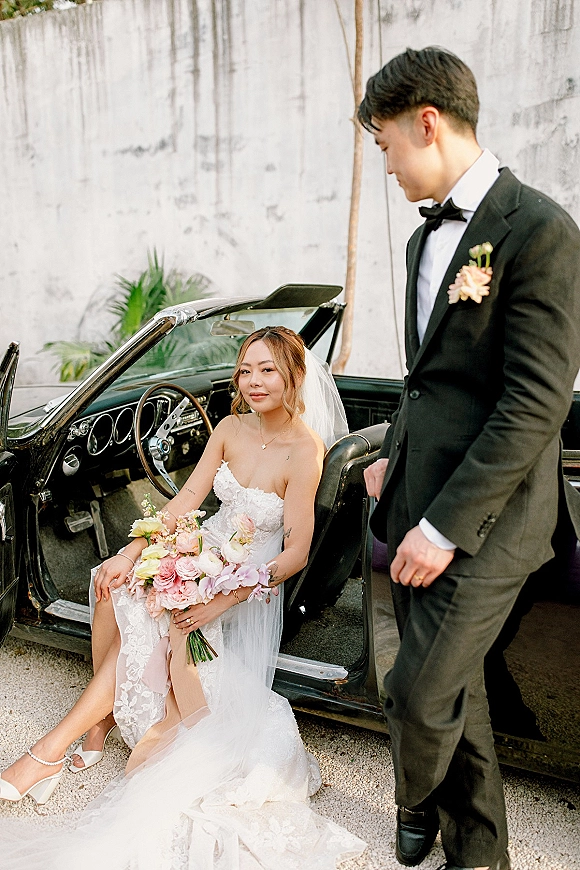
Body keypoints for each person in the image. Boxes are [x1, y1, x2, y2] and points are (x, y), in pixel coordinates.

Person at [0, 326, 364, 870]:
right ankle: (94, 729)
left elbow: (295, 554)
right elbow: (189, 499)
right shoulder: (229, 428)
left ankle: (46, 756)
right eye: (245, 370)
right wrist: (130, 553)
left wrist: (221, 597)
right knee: (110, 581)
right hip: (202, 548)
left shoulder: (305, 451)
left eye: (267, 370)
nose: (253, 381)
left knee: (147, 621)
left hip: (245, 582)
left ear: (294, 377)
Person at [360, 47, 580, 870]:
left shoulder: (543, 232)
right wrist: (393, 450)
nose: (383, 164)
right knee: (459, 692)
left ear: (428, 122)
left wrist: (445, 528)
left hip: (491, 518)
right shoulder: (425, 248)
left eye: (385, 144)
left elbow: (535, 403)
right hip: (414, 486)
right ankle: (478, 857)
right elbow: (427, 383)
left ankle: (413, 795)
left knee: (417, 692)